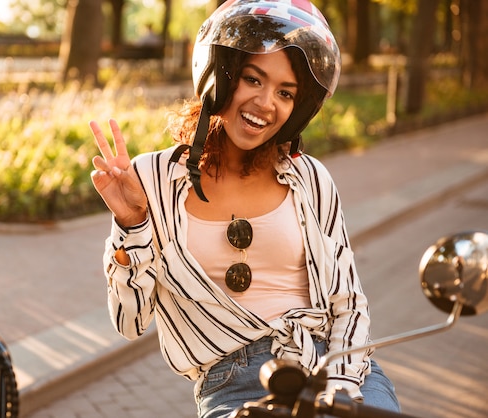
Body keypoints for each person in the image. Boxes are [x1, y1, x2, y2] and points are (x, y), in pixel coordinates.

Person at [89, 1, 400, 417]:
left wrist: (339, 391)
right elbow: (129, 322)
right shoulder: (153, 179)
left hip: (334, 367)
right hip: (230, 386)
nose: (266, 102)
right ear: (221, 77)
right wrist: (133, 226)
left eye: (286, 92)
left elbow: (348, 303)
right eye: (253, 79)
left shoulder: (310, 178)